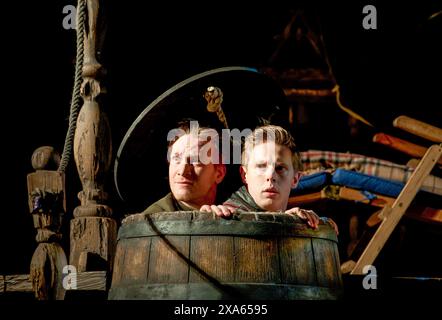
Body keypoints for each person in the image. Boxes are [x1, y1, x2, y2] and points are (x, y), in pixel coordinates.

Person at [201, 125, 338, 234]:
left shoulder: (298, 219)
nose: (270, 176)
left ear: (295, 179)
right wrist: (211, 223)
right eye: (261, 166)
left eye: (280, 168)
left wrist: (315, 224)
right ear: (244, 175)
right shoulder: (225, 217)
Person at [142, 122, 226, 213]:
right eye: (176, 159)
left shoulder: (236, 208)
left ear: (219, 173)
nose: (182, 171)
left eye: (195, 160)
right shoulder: (151, 222)